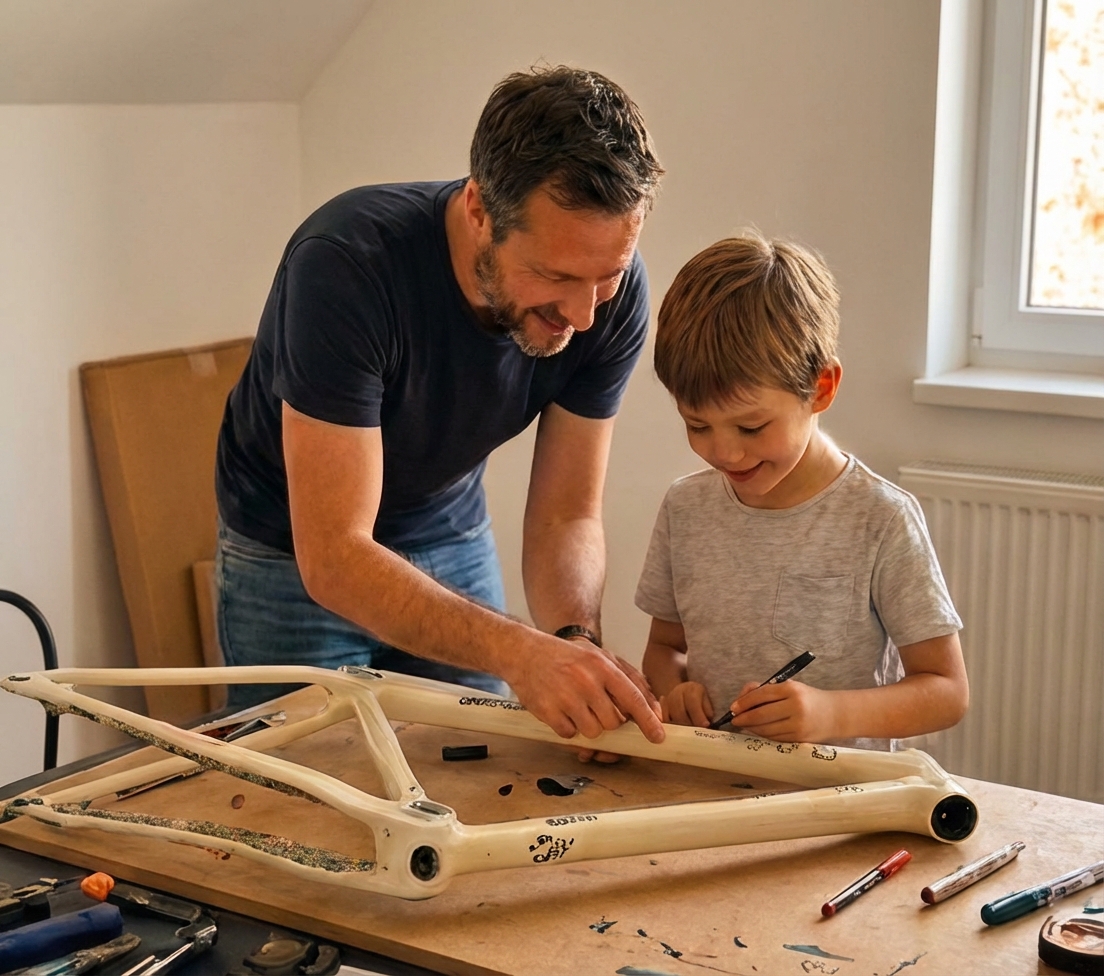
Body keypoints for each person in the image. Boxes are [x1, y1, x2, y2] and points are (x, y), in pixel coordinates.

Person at [214, 65, 666, 752]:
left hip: (447, 528)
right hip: (290, 550)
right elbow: (335, 555)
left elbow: (566, 514)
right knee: (303, 783)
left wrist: (573, 641)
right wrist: (519, 651)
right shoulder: (346, 266)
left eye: (607, 276)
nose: (582, 314)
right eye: (555, 275)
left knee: (475, 766)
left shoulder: (612, 295)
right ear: (480, 209)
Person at [635, 232, 969, 750]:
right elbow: (664, 648)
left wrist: (831, 713)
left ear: (821, 389)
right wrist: (674, 690)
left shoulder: (880, 519)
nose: (724, 453)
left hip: (839, 792)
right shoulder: (685, 508)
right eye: (697, 425)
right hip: (711, 781)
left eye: (751, 427)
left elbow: (946, 692)